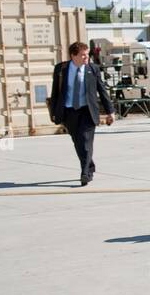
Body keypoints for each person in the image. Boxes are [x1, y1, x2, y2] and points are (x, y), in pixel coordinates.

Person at [48, 40, 115, 186]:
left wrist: (110, 111)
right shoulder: (61, 69)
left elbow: (102, 90)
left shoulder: (93, 69)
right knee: (78, 143)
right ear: (73, 56)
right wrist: (53, 112)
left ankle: (85, 173)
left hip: (87, 111)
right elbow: (55, 93)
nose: (87, 58)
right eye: (83, 55)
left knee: (85, 141)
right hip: (69, 111)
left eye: (87, 55)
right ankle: (89, 164)